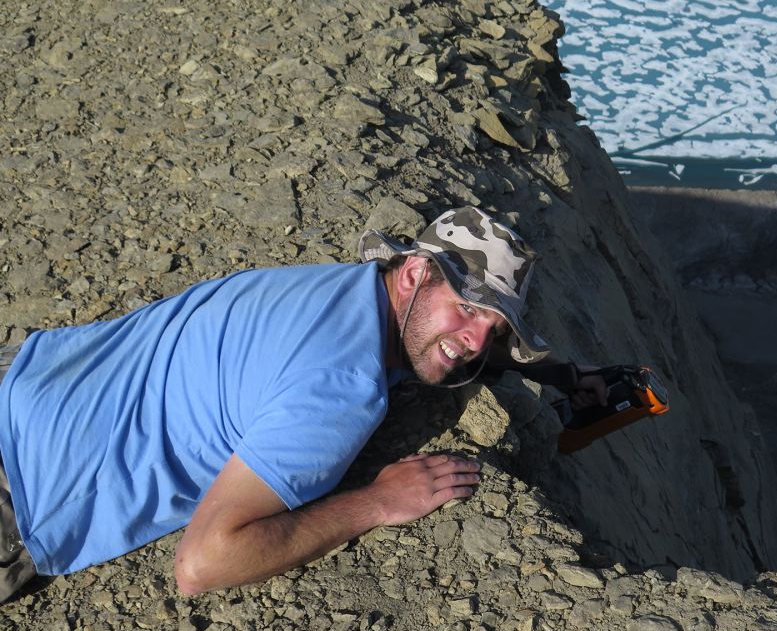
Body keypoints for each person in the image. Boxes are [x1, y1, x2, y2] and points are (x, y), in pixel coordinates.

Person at [0, 206, 603, 601]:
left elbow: (437, 336)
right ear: (416, 273)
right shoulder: (341, 391)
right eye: (468, 308)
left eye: (494, 330)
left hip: (27, 379)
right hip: (30, 489)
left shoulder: (343, 286)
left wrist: (558, 371)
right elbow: (202, 563)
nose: (474, 341)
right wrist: (376, 502)